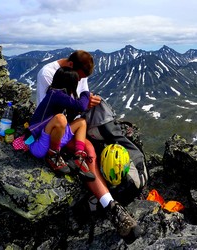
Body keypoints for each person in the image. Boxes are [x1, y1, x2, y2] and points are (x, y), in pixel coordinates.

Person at [29, 67, 138, 237]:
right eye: (77, 82)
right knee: (61, 120)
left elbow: (76, 112)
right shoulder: (56, 94)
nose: (79, 84)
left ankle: (110, 205)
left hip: (60, 135)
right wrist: (87, 94)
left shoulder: (63, 95)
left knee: (86, 143)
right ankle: (54, 156)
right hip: (45, 140)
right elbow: (77, 105)